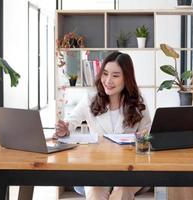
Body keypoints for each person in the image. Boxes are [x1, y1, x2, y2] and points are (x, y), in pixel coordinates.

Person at [55, 51, 152, 200]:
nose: (108, 80)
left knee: (123, 192)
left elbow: (148, 136)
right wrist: (64, 130)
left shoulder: (139, 104)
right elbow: (70, 124)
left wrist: (143, 139)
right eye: (105, 74)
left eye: (115, 75)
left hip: (130, 169)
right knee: (95, 193)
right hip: (97, 168)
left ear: (127, 78)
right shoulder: (89, 100)